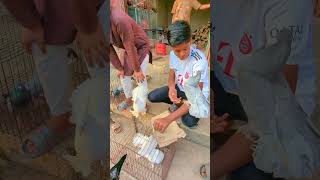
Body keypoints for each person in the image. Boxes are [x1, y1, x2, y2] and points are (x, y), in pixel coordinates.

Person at [211, 0, 319, 179]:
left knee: (251, 174)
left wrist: (207, 170)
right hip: (230, 89)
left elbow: (273, 115)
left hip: (284, 107)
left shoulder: (288, 5)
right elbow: (213, 57)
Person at [2, 0, 108, 158]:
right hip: (50, 5)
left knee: (98, 52)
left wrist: (88, 28)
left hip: (94, 4)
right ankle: (61, 115)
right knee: (40, 44)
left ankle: (104, 107)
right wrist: (31, 23)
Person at [148, 20, 209, 132]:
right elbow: (171, 76)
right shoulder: (172, 55)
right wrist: (171, 89)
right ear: (171, 47)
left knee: (188, 122)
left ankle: (181, 106)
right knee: (152, 96)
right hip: (181, 89)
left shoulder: (199, 61)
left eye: (185, 49)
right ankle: (180, 104)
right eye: (177, 51)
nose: (181, 54)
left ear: (190, 41)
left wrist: (168, 119)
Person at [110, 0, 151, 111]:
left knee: (140, 78)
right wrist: (119, 68)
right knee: (123, 75)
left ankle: (143, 102)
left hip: (140, 46)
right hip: (128, 49)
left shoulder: (119, 19)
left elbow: (130, 45)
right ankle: (129, 98)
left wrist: (137, 70)